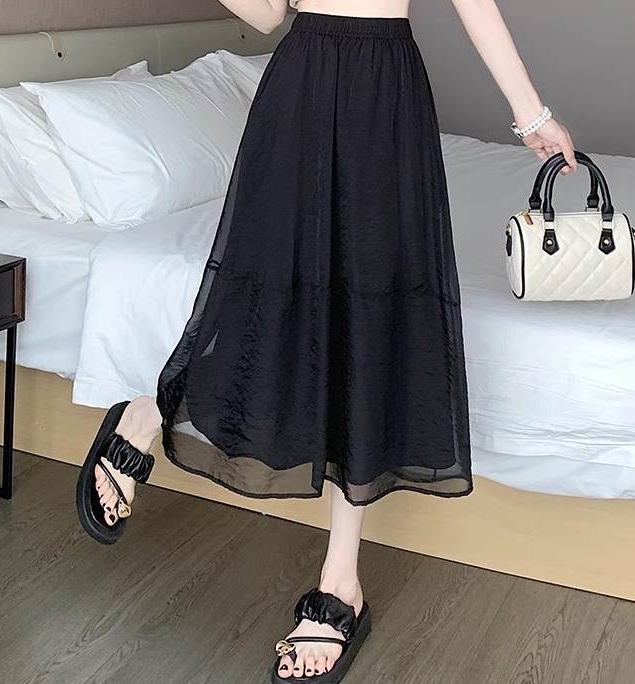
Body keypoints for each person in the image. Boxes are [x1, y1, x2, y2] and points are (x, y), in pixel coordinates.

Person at [76, 1, 577, 681]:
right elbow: (264, 16)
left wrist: (531, 114)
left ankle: (340, 582)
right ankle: (147, 414)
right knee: (264, 302)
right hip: (301, 81)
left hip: (386, 91)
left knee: (369, 317)